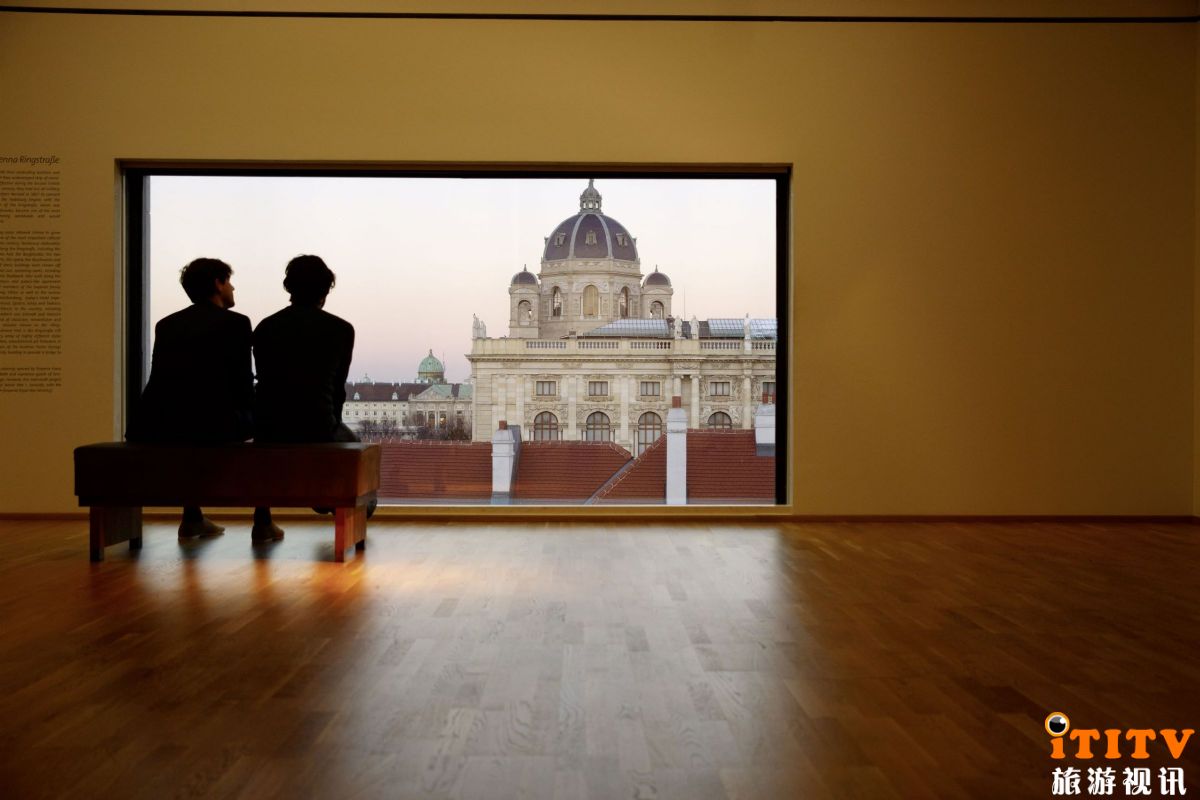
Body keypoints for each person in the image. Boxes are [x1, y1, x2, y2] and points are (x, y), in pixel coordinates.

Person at [127, 257, 253, 539]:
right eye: (229, 282)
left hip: (162, 423)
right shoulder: (236, 323)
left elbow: (161, 379)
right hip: (215, 424)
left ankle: (193, 515)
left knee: (191, 422)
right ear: (218, 284)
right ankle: (263, 519)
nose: (233, 288)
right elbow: (242, 382)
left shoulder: (167, 324)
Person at [251, 255, 358, 541]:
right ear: (325, 291)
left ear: (289, 287)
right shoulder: (341, 329)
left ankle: (262, 520)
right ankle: (331, 504)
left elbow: (264, 381)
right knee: (355, 447)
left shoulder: (265, 327)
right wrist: (331, 423)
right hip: (317, 422)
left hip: (268, 425)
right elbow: (337, 388)